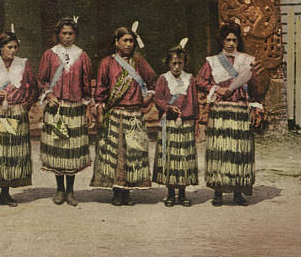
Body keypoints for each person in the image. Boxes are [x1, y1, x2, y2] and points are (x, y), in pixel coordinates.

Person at [90, 25, 157, 206]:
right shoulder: (107, 63)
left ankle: (127, 191)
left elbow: (153, 82)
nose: (128, 44)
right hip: (115, 113)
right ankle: (117, 191)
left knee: (132, 153)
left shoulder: (140, 62)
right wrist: (100, 109)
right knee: (116, 153)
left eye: (131, 41)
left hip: (134, 113)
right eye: (124, 40)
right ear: (116, 43)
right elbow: (101, 90)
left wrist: (148, 97)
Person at [197, 22, 262, 206]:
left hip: (240, 110)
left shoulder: (246, 60)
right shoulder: (213, 61)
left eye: (234, 39)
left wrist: (255, 104)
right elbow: (201, 81)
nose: (232, 43)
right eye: (228, 40)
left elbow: (255, 86)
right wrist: (216, 89)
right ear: (222, 41)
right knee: (220, 151)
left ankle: (237, 192)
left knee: (238, 152)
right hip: (221, 111)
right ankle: (218, 192)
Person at [0, 30, 38, 207]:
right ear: (1, 48)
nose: (13, 51)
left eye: (15, 47)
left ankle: (6, 193)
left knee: (11, 153)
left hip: (15, 114)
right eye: (9, 47)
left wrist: (23, 105)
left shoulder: (23, 65)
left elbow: (33, 89)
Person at [37, 17, 93, 206]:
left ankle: (71, 191)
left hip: (75, 108)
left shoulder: (82, 55)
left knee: (72, 150)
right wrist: (48, 94)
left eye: (70, 34)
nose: (67, 37)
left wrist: (87, 107)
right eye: (64, 33)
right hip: (56, 108)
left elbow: (86, 84)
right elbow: (42, 80)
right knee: (58, 148)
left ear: (75, 35)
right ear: (58, 34)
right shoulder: (50, 55)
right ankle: (59, 189)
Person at [152, 42, 198, 207]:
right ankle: (171, 193)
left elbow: (193, 101)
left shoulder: (190, 79)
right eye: (174, 63)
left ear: (184, 63)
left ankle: (183, 193)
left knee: (183, 158)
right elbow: (158, 98)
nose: (177, 67)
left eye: (180, 63)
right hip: (169, 124)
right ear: (168, 63)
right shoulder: (163, 79)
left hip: (184, 123)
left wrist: (193, 120)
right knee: (170, 159)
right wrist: (168, 106)